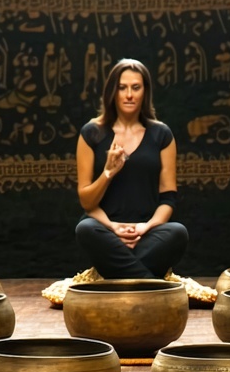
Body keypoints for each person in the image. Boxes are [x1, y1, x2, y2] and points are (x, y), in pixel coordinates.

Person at [75, 59, 187, 279]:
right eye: (122, 88)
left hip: (147, 234)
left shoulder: (161, 134)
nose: (129, 95)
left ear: (145, 92)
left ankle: (118, 276)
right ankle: (151, 285)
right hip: (106, 232)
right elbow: (87, 202)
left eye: (136, 87)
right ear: (112, 92)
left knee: (177, 232)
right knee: (86, 229)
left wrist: (146, 228)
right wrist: (108, 172)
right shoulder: (92, 133)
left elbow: (168, 199)